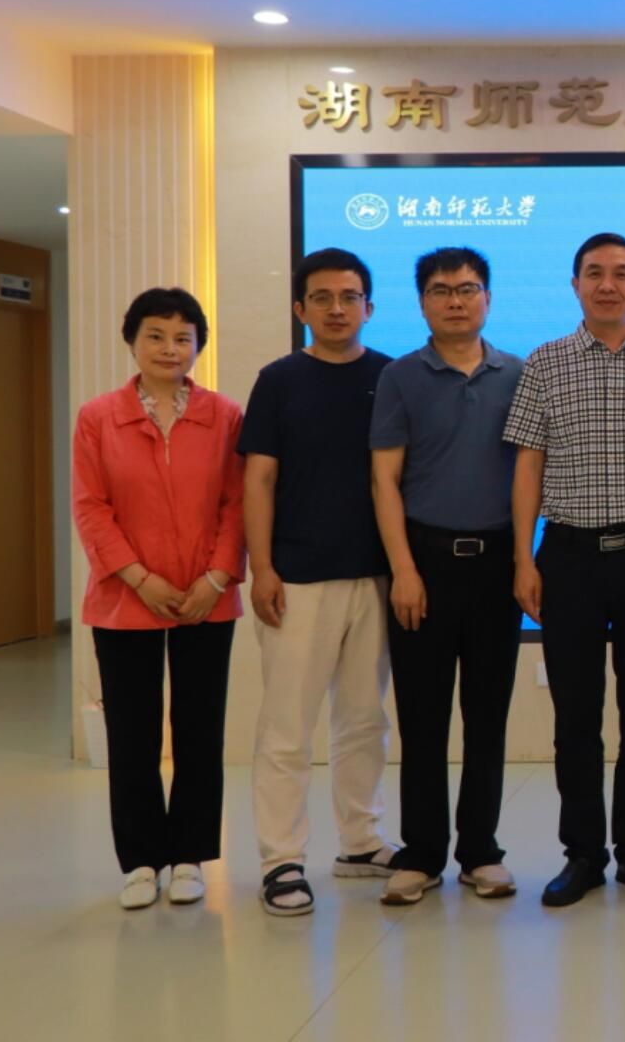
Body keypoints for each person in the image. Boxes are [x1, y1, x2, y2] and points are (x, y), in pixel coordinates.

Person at [505, 233, 625, 908]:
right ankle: (583, 854)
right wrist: (523, 557)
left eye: (622, 274)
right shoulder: (545, 362)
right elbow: (528, 464)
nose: (608, 285)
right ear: (575, 284)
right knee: (576, 716)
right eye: (595, 273)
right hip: (568, 557)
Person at [73, 287, 245, 910]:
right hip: (125, 598)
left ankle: (191, 855)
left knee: (200, 730)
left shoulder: (225, 416)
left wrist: (216, 578)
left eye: (182, 338)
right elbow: (91, 508)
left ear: (198, 346)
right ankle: (141, 860)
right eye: (156, 336)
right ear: (132, 341)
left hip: (206, 598)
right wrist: (140, 578)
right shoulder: (98, 417)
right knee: (133, 735)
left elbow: (237, 503)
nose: (170, 348)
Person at [242, 248, 397, 916]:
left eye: (350, 297)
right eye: (324, 297)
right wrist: (262, 568)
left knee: (364, 719)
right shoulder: (279, 380)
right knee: (287, 727)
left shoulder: (391, 376)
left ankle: (360, 842)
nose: (338, 309)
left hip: (376, 577)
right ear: (300, 308)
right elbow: (258, 479)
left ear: (369, 306)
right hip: (297, 578)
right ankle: (281, 860)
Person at [370, 247, 524, 906]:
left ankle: (481, 851)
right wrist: (403, 570)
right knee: (422, 716)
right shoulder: (401, 377)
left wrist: (526, 561)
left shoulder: (518, 374)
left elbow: (531, 476)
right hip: (424, 564)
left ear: (488, 297)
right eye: (440, 290)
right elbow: (384, 479)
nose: (455, 300)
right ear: (422, 302)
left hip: (498, 563)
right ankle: (423, 852)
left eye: (467, 288)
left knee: (487, 716)